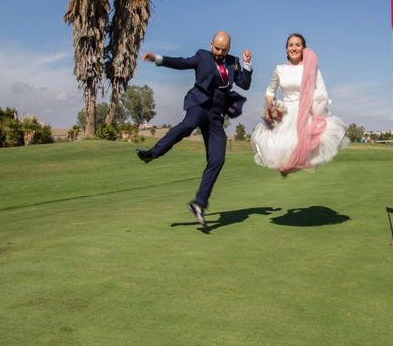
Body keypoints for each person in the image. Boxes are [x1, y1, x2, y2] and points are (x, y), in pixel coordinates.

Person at [136, 31, 252, 227]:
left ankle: (199, 203)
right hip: (199, 105)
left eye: (223, 50)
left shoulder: (233, 61)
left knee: (218, 158)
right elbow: (181, 63)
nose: (219, 53)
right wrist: (158, 58)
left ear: (229, 49)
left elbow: (244, 84)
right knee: (188, 125)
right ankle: (152, 154)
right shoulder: (202, 56)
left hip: (216, 115)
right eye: (217, 48)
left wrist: (247, 64)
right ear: (211, 45)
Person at [251, 33, 348, 175]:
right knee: (280, 150)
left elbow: (322, 91)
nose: (294, 48)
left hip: (306, 114)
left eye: (298, 45)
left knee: (306, 148)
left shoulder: (311, 68)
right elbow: (270, 91)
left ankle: (298, 165)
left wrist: (315, 107)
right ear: (286, 49)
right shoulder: (279, 69)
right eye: (290, 45)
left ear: (304, 48)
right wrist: (272, 109)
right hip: (285, 115)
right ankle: (288, 169)